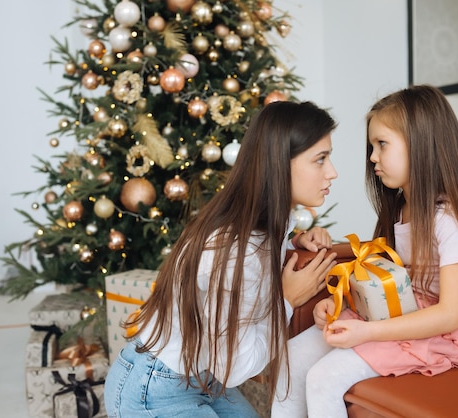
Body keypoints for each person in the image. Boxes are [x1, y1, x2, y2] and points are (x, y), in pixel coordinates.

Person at [271, 85, 458, 418]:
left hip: (442, 331)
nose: (372, 157)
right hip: (401, 312)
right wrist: (340, 304)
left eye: (381, 144)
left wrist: (367, 331)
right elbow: (391, 282)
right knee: (290, 361)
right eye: (372, 146)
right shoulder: (402, 209)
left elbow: (450, 314)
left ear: (421, 145)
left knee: (324, 378)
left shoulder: (454, 218)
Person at [104, 100, 340, 417]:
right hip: (154, 388)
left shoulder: (264, 223)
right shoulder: (236, 250)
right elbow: (236, 368)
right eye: (320, 160)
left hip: (204, 379)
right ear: (280, 164)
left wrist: (295, 242)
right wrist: (286, 299)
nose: (333, 173)